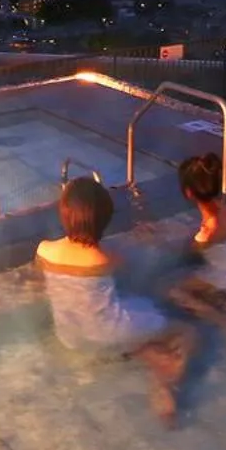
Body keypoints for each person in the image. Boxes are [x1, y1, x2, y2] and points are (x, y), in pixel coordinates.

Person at [36, 177, 193, 422]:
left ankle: (142, 351)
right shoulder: (104, 258)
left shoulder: (44, 249)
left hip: (71, 336)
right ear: (105, 220)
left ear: (64, 214)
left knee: (130, 321)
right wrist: (147, 236)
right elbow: (131, 263)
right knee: (184, 331)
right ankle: (164, 383)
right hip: (108, 331)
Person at [169, 153, 226, 347]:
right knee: (199, 284)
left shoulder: (209, 231)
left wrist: (153, 239)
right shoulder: (225, 208)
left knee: (173, 290)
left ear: (188, 193)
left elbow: (187, 253)